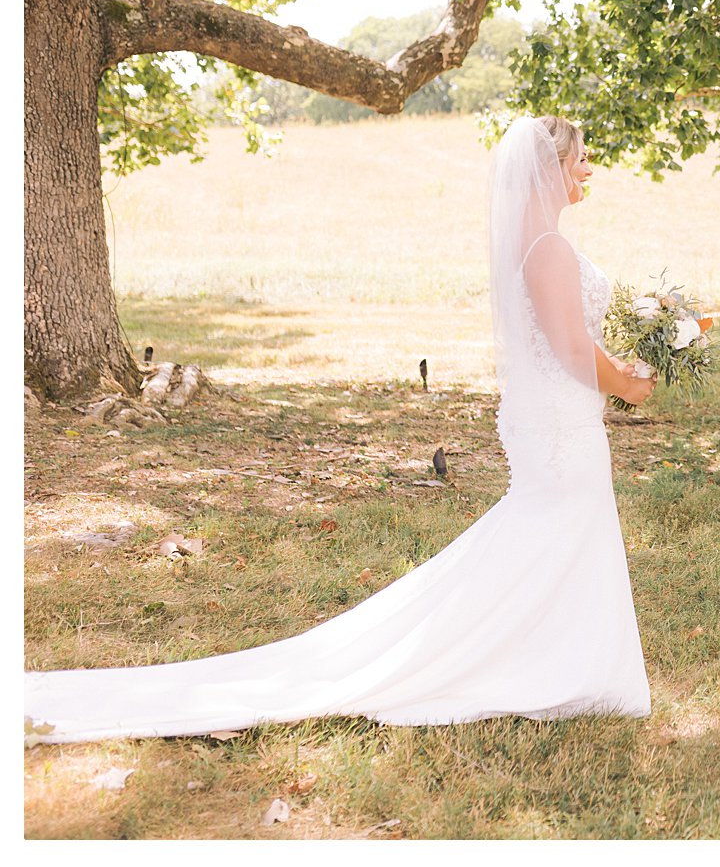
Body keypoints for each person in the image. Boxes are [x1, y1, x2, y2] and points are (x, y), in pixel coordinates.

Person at [24, 116, 654, 740]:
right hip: (558, 424)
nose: (588, 170)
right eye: (580, 159)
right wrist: (625, 382)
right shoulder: (546, 249)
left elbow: (568, 341)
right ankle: (513, 660)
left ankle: (559, 661)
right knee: (548, 529)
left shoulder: (537, 243)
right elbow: (572, 347)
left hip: (556, 416)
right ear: (551, 168)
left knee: (554, 532)